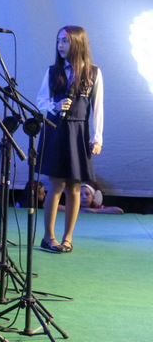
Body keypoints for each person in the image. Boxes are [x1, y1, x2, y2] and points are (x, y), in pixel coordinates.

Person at [37, 26, 104, 252]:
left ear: (78, 43)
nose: (60, 45)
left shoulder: (93, 72)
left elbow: (98, 108)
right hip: (56, 130)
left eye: (65, 41)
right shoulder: (53, 71)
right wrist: (54, 106)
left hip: (79, 132)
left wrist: (97, 137)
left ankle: (67, 238)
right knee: (56, 185)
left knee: (75, 186)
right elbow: (40, 101)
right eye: (59, 41)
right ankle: (49, 237)